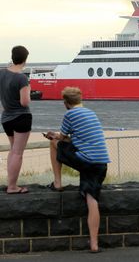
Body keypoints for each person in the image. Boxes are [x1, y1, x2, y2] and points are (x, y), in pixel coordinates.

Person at [44, 87, 110, 253]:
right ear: (81, 100)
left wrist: (53, 135)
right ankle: (94, 244)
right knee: (92, 199)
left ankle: (57, 182)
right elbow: (77, 136)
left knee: (53, 143)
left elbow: (63, 137)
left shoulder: (69, 114)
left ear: (65, 103)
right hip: (101, 162)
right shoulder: (90, 113)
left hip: (85, 159)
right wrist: (60, 136)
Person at [0, 46, 31, 194]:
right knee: (18, 153)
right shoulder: (22, 78)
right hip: (21, 117)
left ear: (12, 57)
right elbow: (25, 102)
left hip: (6, 118)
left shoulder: (1, 73)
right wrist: (29, 91)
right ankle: (12, 186)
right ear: (25, 59)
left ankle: (10, 183)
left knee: (12, 151)